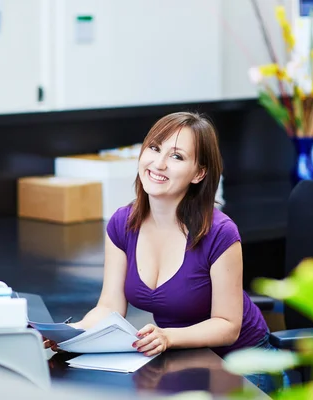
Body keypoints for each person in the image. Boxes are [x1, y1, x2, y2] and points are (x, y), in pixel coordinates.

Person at [44, 111, 288, 394]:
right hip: (184, 359)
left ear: (199, 173)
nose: (158, 164)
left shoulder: (220, 233)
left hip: (242, 365)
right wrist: (74, 335)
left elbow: (227, 325)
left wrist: (167, 337)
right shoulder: (123, 223)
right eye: (154, 148)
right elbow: (109, 306)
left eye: (176, 157)